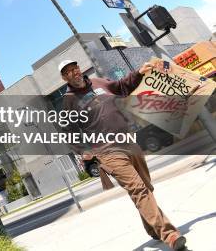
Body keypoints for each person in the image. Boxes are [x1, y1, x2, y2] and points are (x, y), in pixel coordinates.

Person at [58, 59, 186, 250]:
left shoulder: (99, 83)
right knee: (138, 189)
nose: (73, 73)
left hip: (128, 142)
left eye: (74, 68)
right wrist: (84, 150)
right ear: (64, 77)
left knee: (145, 188)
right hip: (107, 152)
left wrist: (140, 72)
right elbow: (68, 131)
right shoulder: (68, 101)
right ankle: (169, 234)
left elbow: (122, 86)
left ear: (79, 69)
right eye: (68, 72)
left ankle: (153, 229)